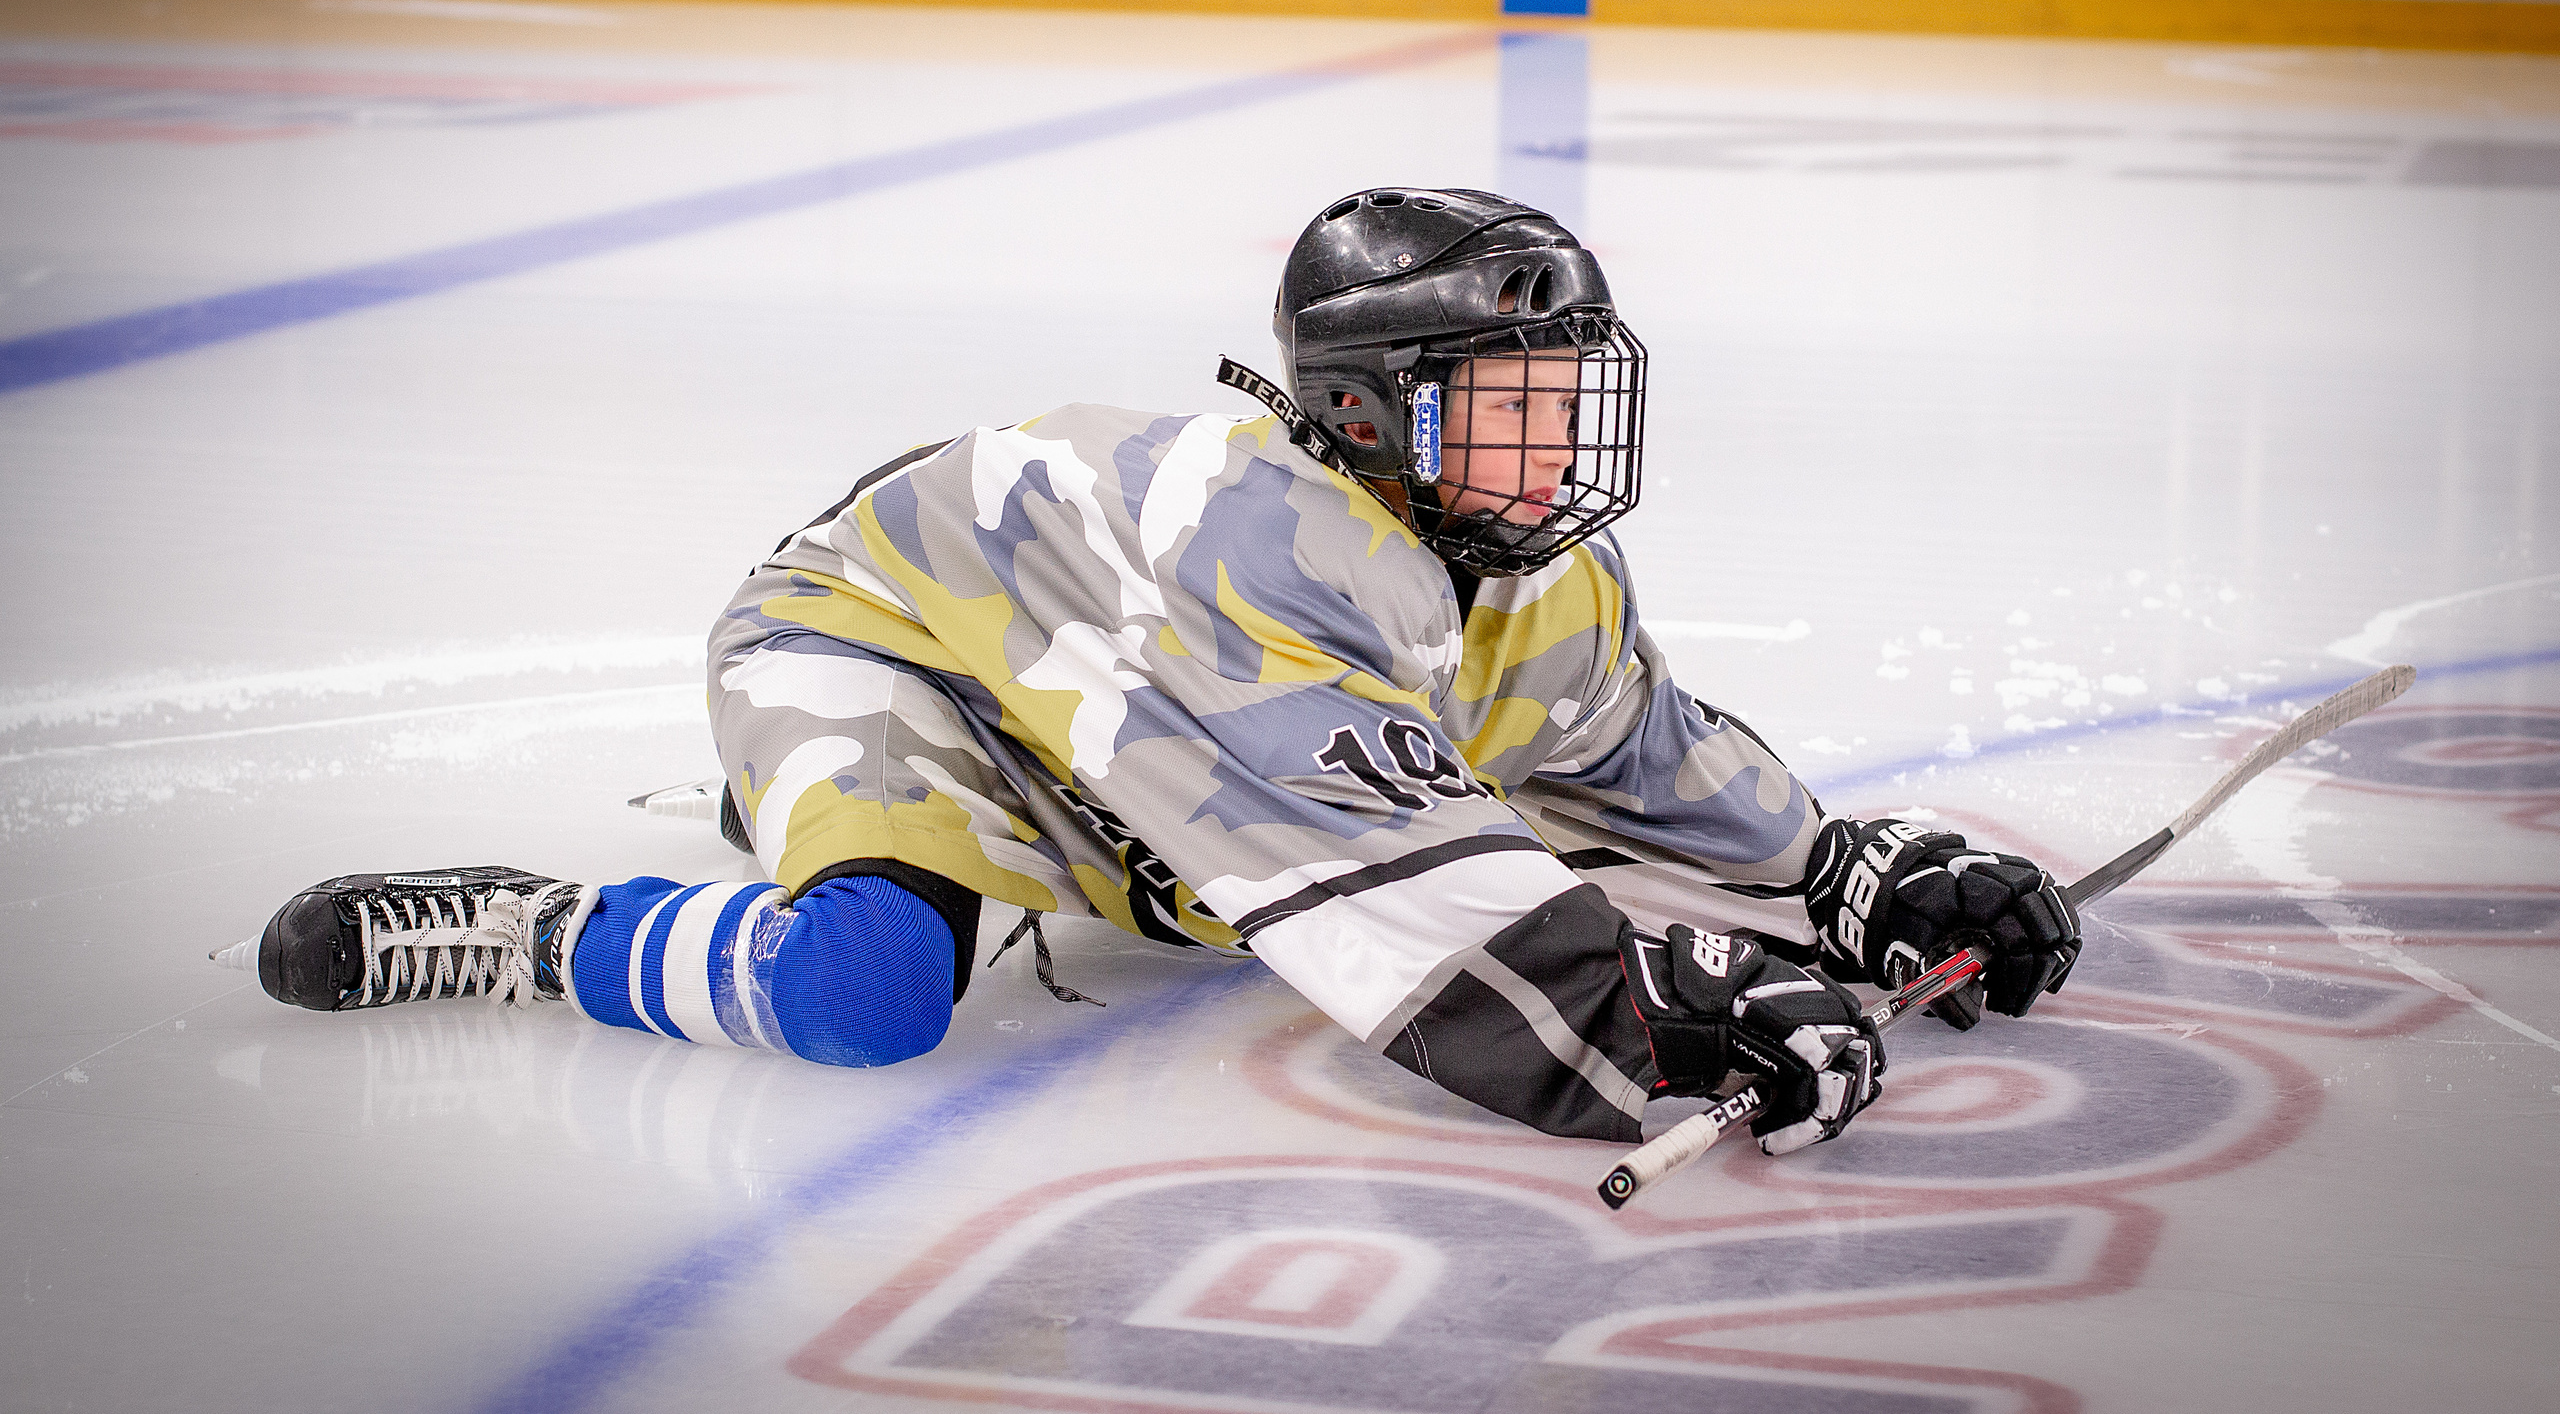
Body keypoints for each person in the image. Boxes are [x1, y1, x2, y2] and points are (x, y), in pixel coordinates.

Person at [221, 189, 2080, 1155]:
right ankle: (552, 929)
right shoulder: (1261, 550)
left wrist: (1850, 873)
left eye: (1562, 400)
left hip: (1103, 709)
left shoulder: (1511, 564)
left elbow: (1634, 753)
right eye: (1502, 407)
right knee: (870, 988)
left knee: (1203, 897)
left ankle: (896, 828)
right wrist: (1678, 1011)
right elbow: (1423, 923)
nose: (1555, 450)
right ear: (1363, 417)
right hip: (891, 646)